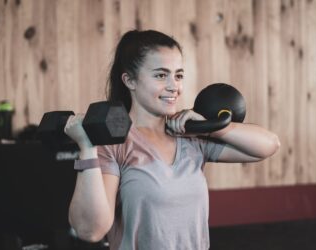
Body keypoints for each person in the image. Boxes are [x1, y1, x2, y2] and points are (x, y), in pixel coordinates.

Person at [64, 29, 280, 250]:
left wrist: (210, 128)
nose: (173, 86)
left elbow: (269, 145)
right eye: (160, 75)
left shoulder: (191, 136)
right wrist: (88, 148)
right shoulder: (114, 144)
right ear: (130, 81)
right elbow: (91, 230)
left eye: (178, 75)